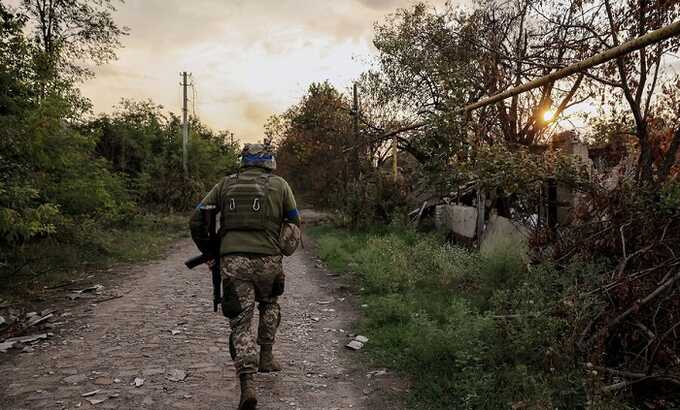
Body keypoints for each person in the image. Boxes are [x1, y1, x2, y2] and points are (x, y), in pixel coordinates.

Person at [189, 143, 300, 410]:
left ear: (244, 161)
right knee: (270, 304)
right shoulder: (281, 185)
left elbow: (197, 219)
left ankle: (247, 383)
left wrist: (210, 253)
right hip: (269, 260)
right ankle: (266, 357)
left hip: (233, 261)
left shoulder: (225, 185)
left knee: (240, 323)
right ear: (269, 162)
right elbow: (294, 221)